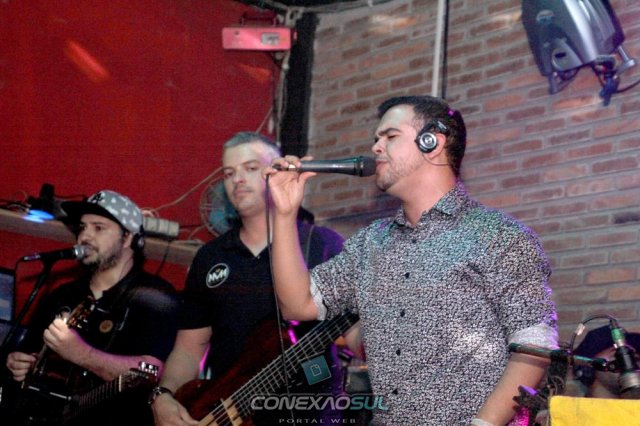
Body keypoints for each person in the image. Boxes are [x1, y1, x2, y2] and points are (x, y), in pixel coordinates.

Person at [264, 95, 559, 425]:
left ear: (432, 142)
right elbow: (298, 304)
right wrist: (284, 214)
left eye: (390, 136)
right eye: (376, 138)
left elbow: (535, 349)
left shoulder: (500, 236)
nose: (376, 147)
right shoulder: (370, 243)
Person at [151, 132, 347, 425]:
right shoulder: (210, 257)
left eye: (251, 168)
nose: (237, 180)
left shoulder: (322, 244)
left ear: (278, 170)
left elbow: (356, 334)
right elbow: (189, 348)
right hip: (227, 412)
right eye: (229, 173)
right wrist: (164, 395)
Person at [4, 190, 180, 425]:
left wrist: (82, 354)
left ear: (128, 238)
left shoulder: (156, 297)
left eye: (98, 228)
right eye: (82, 228)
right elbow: (29, 355)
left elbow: (150, 371)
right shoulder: (61, 295)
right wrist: (20, 363)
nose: (84, 237)